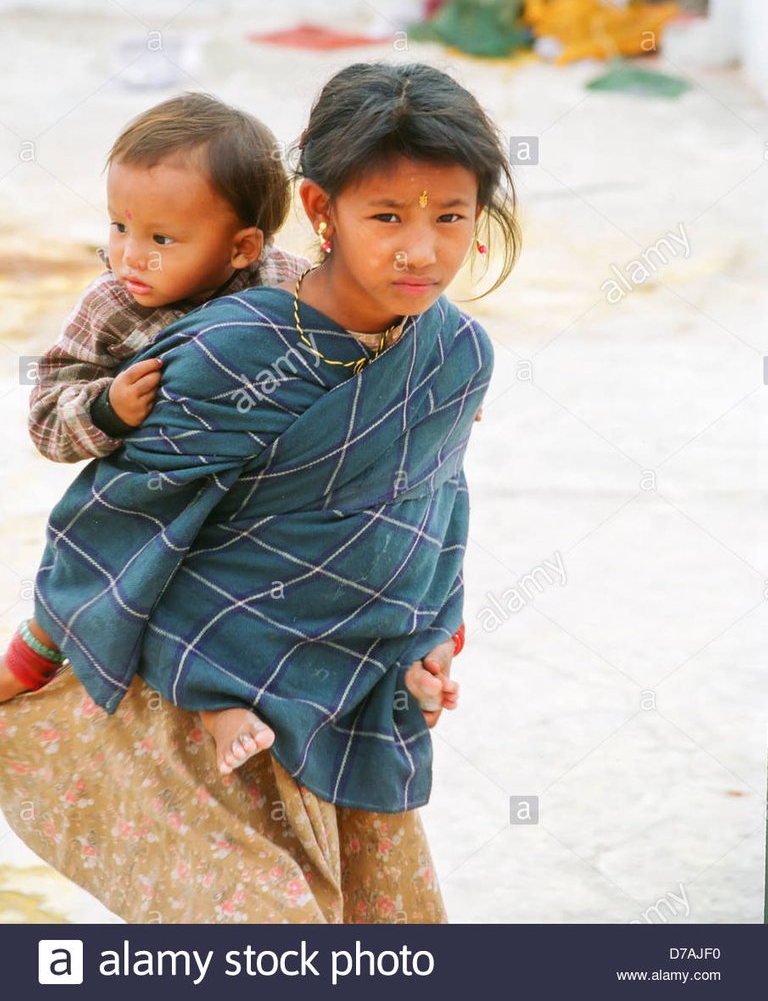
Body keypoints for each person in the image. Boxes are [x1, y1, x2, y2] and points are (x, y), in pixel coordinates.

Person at [0, 61, 521, 922]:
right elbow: (116, 525)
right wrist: (35, 654)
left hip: (346, 706)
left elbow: (435, 510)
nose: (422, 249)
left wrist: (436, 638)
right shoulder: (227, 352)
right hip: (194, 712)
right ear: (320, 211)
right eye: (386, 216)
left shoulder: (457, 355)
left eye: (452, 217)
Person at [0, 91, 311, 771]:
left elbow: (351, 350)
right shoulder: (111, 305)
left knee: (241, 592)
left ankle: (226, 705)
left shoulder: (289, 290)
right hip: (146, 502)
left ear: (243, 247)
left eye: (161, 239)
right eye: (118, 226)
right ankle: (35, 653)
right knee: (103, 574)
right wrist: (106, 409)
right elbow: (47, 422)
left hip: (249, 500)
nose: (129, 256)